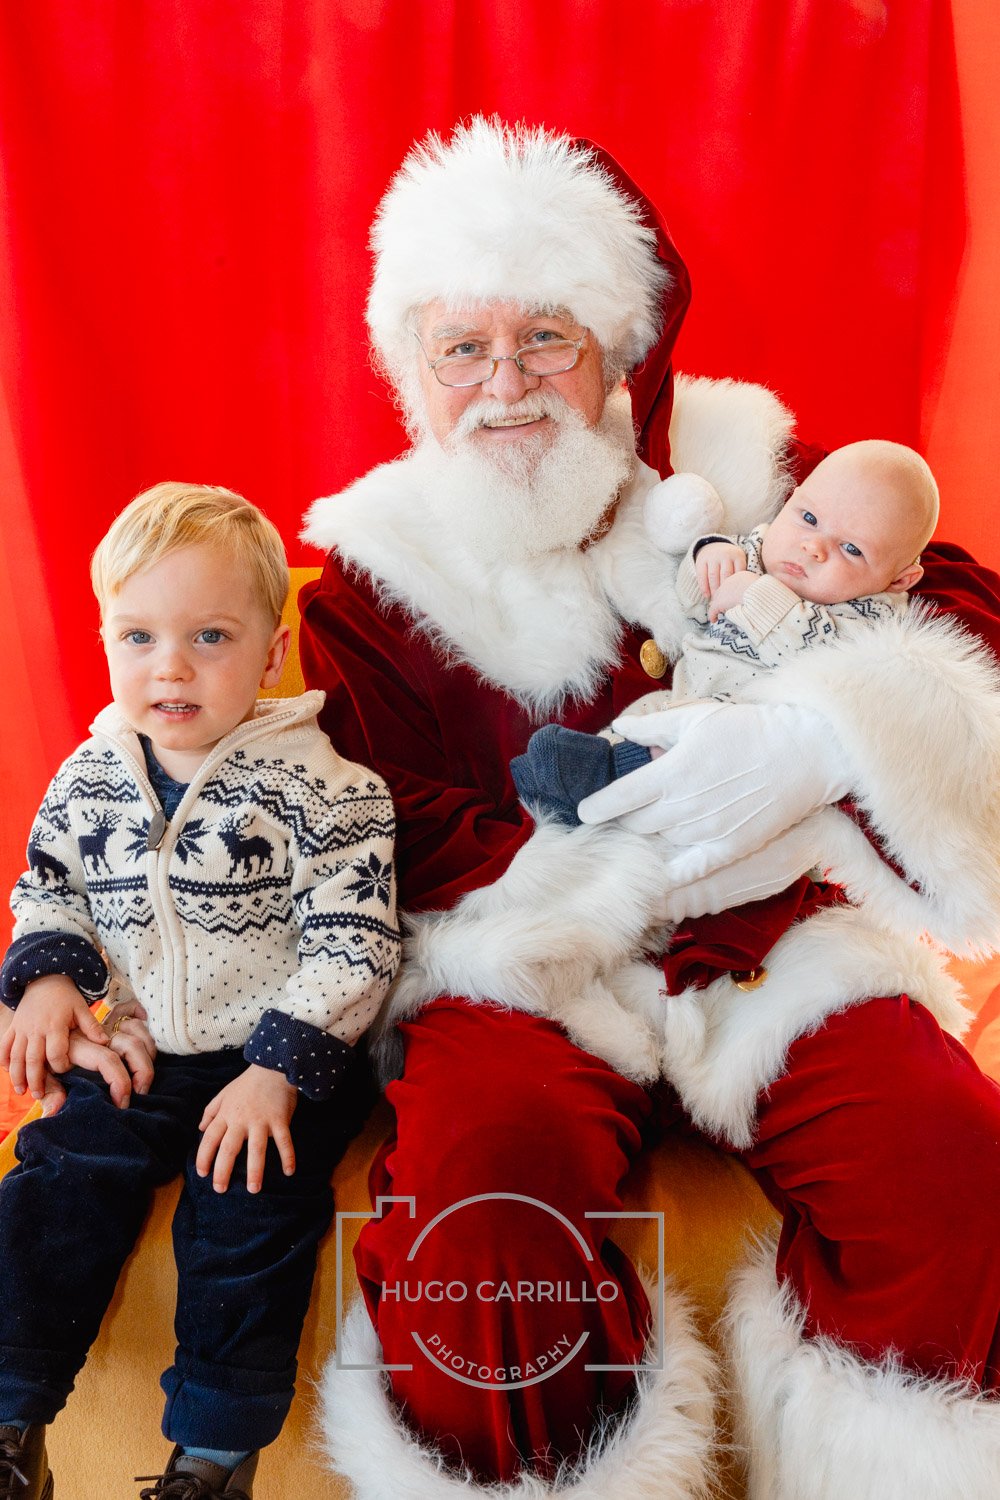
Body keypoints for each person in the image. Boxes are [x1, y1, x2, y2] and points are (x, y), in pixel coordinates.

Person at [300, 120, 1000, 1499]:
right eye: (461, 349)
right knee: (485, 1236)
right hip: (529, 969)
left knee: (957, 1178)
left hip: (778, 942)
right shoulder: (368, 583)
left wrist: (820, 736)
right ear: (411, 372)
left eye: (546, 338)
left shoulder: (752, 479)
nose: (506, 385)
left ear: (619, 352)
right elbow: (381, 823)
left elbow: (958, 602)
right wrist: (605, 864)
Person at [0, 484, 399, 1499]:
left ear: (270, 654)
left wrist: (278, 1069)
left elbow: (353, 943)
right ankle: (10, 1419)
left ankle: (212, 1457)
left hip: (280, 1055)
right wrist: (46, 980)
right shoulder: (90, 775)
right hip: (141, 1046)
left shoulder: (327, 790)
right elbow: (50, 887)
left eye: (209, 636)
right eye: (137, 636)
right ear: (104, 641)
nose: (168, 666)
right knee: (53, 1180)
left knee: (244, 1204)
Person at [512, 439, 940, 825]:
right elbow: (694, 607)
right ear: (791, 500)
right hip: (684, 699)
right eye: (808, 517)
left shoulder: (869, 619)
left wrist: (757, 595)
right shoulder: (759, 548)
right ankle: (569, 791)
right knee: (641, 721)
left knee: (692, 752)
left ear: (900, 579)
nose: (814, 547)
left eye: (852, 549)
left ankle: (601, 780)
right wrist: (709, 554)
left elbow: (819, 652)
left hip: (754, 749)